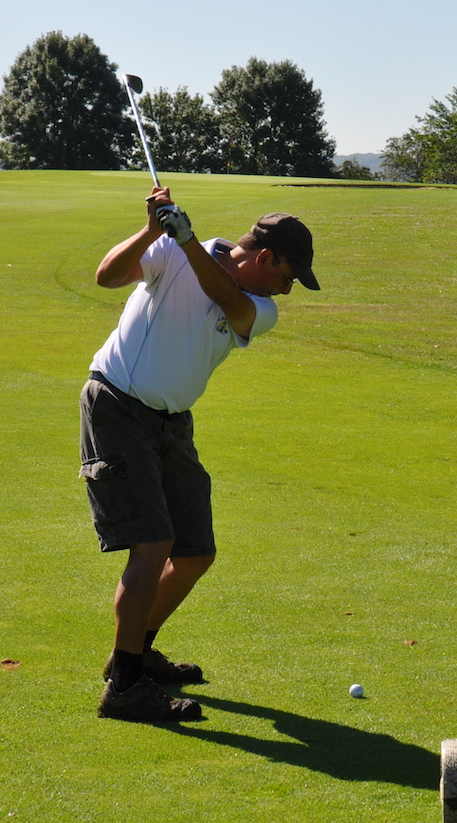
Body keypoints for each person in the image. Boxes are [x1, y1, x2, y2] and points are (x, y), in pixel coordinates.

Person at [81, 185, 318, 722]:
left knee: (193, 552)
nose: (287, 290)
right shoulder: (172, 249)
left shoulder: (260, 308)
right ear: (265, 257)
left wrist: (185, 241)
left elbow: (228, 301)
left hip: (172, 424)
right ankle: (124, 685)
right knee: (153, 542)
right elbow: (107, 277)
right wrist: (151, 229)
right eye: (288, 277)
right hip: (118, 406)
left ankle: (137, 649)